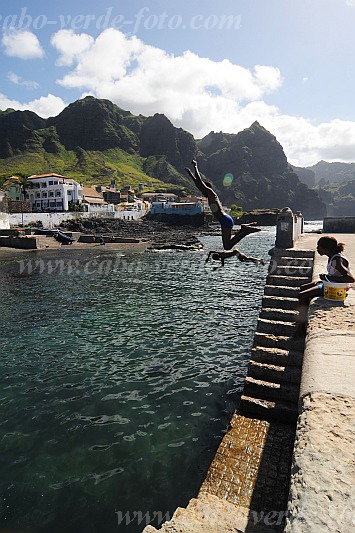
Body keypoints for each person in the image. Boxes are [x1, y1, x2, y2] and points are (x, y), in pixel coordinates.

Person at [185, 160, 263, 263]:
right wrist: (190, 174)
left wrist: (195, 167)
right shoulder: (210, 195)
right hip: (225, 219)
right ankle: (243, 229)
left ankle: (245, 231)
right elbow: (199, 185)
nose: (202, 192)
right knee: (227, 245)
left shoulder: (211, 193)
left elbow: (200, 183)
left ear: (206, 188)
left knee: (227, 247)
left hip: (224, 220)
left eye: (203, 190)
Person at [291, 236, 354, 338]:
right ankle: (303, 318)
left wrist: (327, 277)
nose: (317, 249)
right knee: (303, 287)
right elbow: (336, 275)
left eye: (318, 247)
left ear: (325, 249)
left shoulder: (337, 260)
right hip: (331, 284)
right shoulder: (333, 257)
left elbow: (350, 278)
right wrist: (325, 278)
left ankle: (301, 328)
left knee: (302, 296)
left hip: (336, 289)